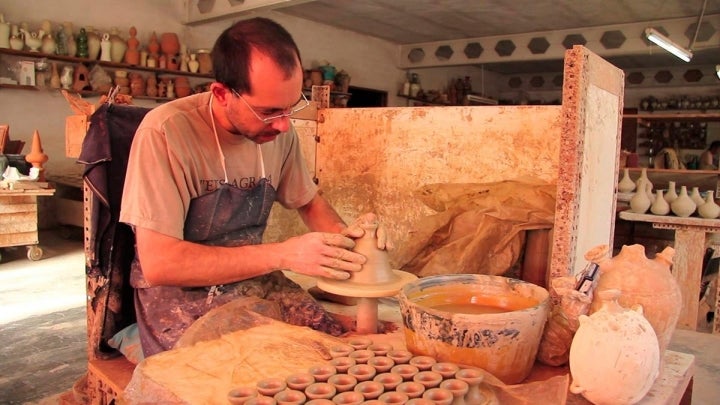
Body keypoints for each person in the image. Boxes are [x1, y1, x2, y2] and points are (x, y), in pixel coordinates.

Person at [119, 17, 387, 357]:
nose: (283, 124)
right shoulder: (165, 133)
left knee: (330, 345)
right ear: (221, 93)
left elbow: (310, 203)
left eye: (291, 108)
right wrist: (284, 254)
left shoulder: (280, 132)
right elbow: (161, 264)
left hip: (252, 280)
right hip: (178, 294)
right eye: (269, 111)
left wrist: (353, 241)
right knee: (252, 370)